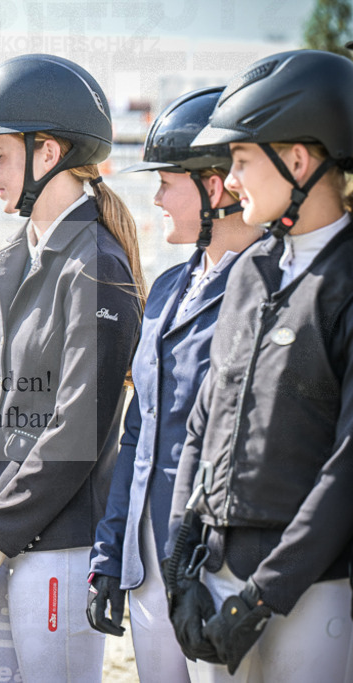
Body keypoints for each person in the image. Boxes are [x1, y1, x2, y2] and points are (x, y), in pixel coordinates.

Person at [0, 54, 144, 682]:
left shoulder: (96, 266)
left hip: (54, 543)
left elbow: (79, 428)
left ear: (45, 152)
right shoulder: (12, 261)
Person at [167, 49, 353, 682]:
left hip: (310, 593)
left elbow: (347, 466)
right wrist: (177, 557)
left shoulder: (346, 280)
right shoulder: (250, 270)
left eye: (242, 160)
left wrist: (266, 593)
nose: (232, 179)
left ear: (298, 159)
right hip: (215, 578)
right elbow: (204, 423)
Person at [86, 87, 263, 683]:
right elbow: (137, 434)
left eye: (167, 183)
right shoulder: (163, 289)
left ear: (214, 190)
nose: (155, 198)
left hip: (217, 560)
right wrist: (111, 552)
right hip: (146, 556)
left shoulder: (269, 289)